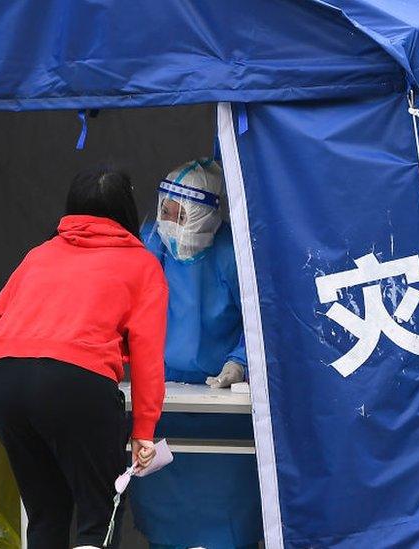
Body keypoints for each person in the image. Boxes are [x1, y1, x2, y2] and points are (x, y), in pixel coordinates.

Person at [0, 166, 168, 549]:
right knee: (100, 512)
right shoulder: (142, 264)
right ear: (128, 209)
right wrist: (143, 431)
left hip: (2, 379)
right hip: (75, 383)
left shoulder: (39, 254)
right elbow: (148, 355)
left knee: (46, 512)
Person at [130, 158, 263, 549]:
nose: (169, 223)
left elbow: (257, 315)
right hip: (160, 398)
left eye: (180, 214)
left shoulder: (232, 251)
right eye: (164, 212)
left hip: (221, 406)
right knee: (163, 501)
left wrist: (239, 361)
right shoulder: (153, 240)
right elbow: (131, 298)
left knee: (228, 497)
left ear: (206, 215)